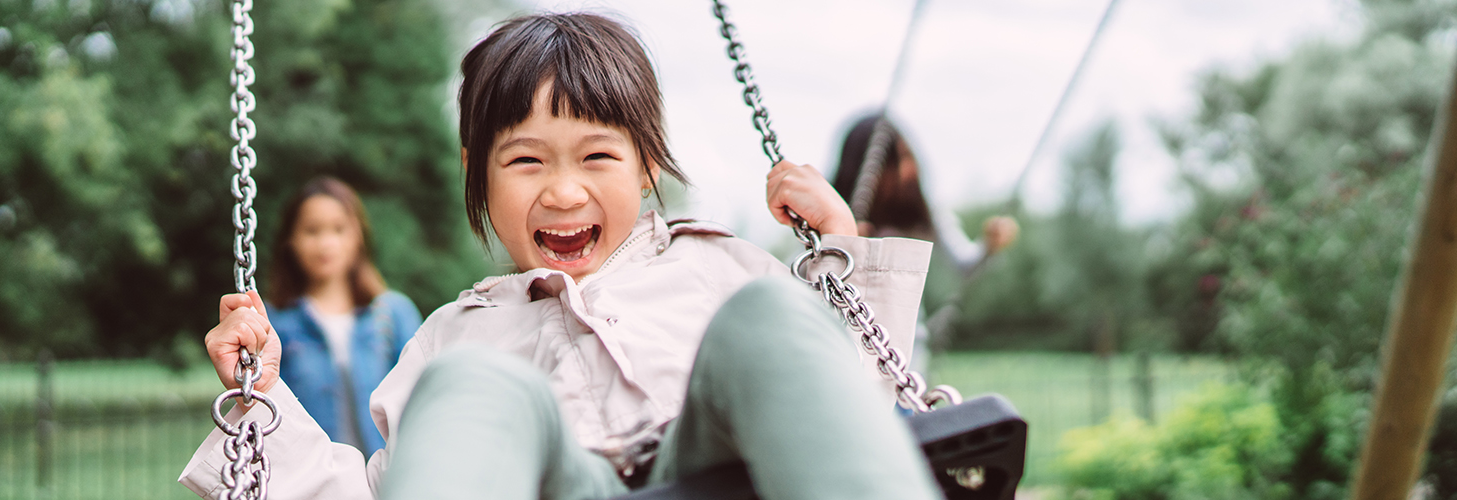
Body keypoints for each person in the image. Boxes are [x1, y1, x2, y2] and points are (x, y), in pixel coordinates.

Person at [182, 13, 942, 500]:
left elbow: (852, 403)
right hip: (552, 484)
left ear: (647, 165)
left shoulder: (721, 267)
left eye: (597, 156)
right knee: (473, 382)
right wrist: (261, 405)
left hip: (715, 471)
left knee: (771, 315)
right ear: (476, 168)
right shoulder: (453, 337)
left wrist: (845, 250)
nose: (564, 191)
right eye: (526, 162)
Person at [830, 113, 1019, 371]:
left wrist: (989, 246)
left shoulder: (924, 213)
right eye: (894, 162)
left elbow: (964, 265)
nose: (907, 171)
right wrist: (842, 241)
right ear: (863, 168)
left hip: (904, 352)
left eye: (908, 158)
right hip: (845, 345)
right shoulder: (836, 213)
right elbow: (802, 273)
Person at [264, 176, 422, 455]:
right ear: (291, 240)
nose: (326, 243)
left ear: (357, 236)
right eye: (312, 231)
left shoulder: (392, 314)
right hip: (312, 484)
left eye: (338, 230)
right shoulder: (275, 323)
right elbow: (267, 416)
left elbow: (422, 402)